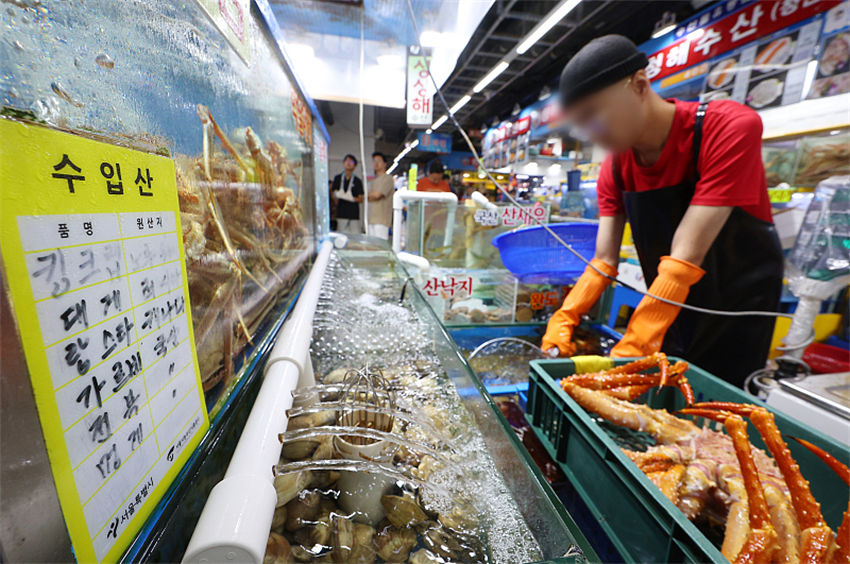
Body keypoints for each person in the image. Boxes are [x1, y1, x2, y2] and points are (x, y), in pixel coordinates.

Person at [541, 34, 783, 387]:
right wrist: (565, 317)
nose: (592, 133)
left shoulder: (727, 127)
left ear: (639, 85)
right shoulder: (617, 168)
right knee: (662, 403)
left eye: (595, 115)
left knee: (719, 412)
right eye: (582, 123)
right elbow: (604, 260)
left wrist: (633, 344)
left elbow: (686, 253)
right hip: (668, 304)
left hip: (736, 313)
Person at [330, 154, 364, 233]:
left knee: (355, 236)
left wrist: (350, 198)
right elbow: (332, 193)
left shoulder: (357, 181)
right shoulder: (337, 178)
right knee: (341, 237)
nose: (348, 163)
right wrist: (336, 201)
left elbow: (361, 199)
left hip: (354, 214)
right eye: (346, 161)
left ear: (355, 166)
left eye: (351, 162)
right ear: (343, 163)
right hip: (341, 213)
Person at [365, 152, 395, 240]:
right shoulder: (374, 180)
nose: (376, 163)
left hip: (382, 220)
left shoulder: (388, 178)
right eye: (374, 161)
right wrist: (371, 195)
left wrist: (371, 195)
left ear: (385, 164)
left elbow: (377, 195)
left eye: (378, 161)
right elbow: (368, 197)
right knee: (372, 246)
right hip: (372, 219)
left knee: (380, 247)